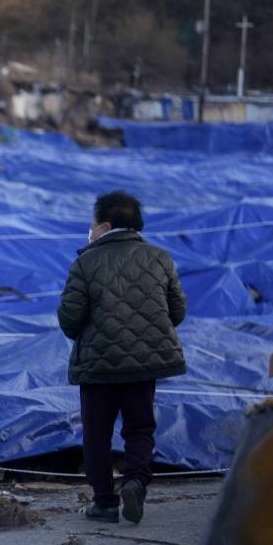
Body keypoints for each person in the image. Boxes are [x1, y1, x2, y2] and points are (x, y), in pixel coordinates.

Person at [58, 191, 187, 524]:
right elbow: (177, 311)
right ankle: (135, 481)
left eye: (92, 223)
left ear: (104, 225)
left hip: (98, 367)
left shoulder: (85, 262)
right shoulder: (161, 258)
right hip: (144, 365)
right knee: (140, 427)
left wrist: (91, 338)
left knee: (97, 435)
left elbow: (70, 318)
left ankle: (105, 501)